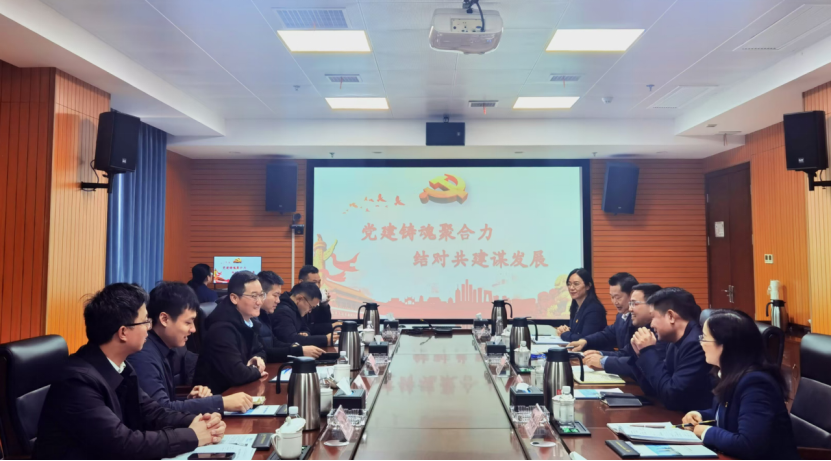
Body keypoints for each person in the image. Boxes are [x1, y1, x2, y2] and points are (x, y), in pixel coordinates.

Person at [33, 283, 225, 460]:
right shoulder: (77, 382)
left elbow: (152, 412)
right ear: (123, 332)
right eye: (145, 322)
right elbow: (122, 444)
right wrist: (192, 435)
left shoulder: (121, 366)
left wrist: (201, 421)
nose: (149, 328)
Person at [681, 310, 798, 460]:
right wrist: (701, 416)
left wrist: (705, 431)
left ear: (725, 345)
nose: (701, 343)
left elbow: (748, 445)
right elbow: (732, 414)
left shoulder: (756, 383)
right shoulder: (729, 375)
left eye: (704, 337)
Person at [128, 282, 254, 415]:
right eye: (188, 322)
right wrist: (221, 403)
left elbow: (165, 403)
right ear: (164, 319)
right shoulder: (143, 355)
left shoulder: (164, 348)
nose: (193, 329)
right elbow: (160, 411)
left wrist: (191, 400)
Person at [629, 287, 714, 412]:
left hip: (694, 417)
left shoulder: (696, 344)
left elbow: (673, 396)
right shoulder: (674, 341)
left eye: (653, 318)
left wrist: (648, 351)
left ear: (670, 316)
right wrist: (640, 354)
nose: (651, 325)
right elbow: (653, 389)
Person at [193, 271, 269, 394]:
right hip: (217, 398)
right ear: (234, 298)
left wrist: (257, 358)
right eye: (254, 296)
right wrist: (257, 370)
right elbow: (238, 374)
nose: (259, 301)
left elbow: (262, 350)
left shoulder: (250, 322)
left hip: (239, 392)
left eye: (261, 295)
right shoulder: (221, 330)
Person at [569, 273, 639, 376]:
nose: (615, 302)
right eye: (612, 297)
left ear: (632, 295)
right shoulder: (621, 316)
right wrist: (585, 341)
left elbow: (630, 356)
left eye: (618, 297)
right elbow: (608, 334)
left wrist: (602, 359)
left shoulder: (640, 320)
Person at [258, 271, 324, 361]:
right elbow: (264, 352)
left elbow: (274, 342)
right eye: (275, 295)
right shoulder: (281, 311)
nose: (278, 301)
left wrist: (295, 346)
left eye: (279, 296)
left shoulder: (264, 315)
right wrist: (299, 351)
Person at [272, 282, 334, 348]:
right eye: (311, 307)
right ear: (299, 299)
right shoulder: (283, 312)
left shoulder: (297, 309)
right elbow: (290, 340)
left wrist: (305, 333)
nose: (310, 311)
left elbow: (306, 328)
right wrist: (325, 339)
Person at [558, 268, 607, 342]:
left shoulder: (594, 309)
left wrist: (564, 334)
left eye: (576, 284)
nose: (571, 288)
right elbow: (576, 332)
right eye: (569, 284)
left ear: (588, 286)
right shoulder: (575, 306)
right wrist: (566, 330)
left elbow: (585, 338)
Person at [298, 265, 341, 335]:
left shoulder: (312, 302)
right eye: (314, 282)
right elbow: (305, 328)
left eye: (319, 282)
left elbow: (322, 323)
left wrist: (324, 305)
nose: (317, 286)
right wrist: (331, 326)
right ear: (301, 282)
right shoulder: (297, 302)